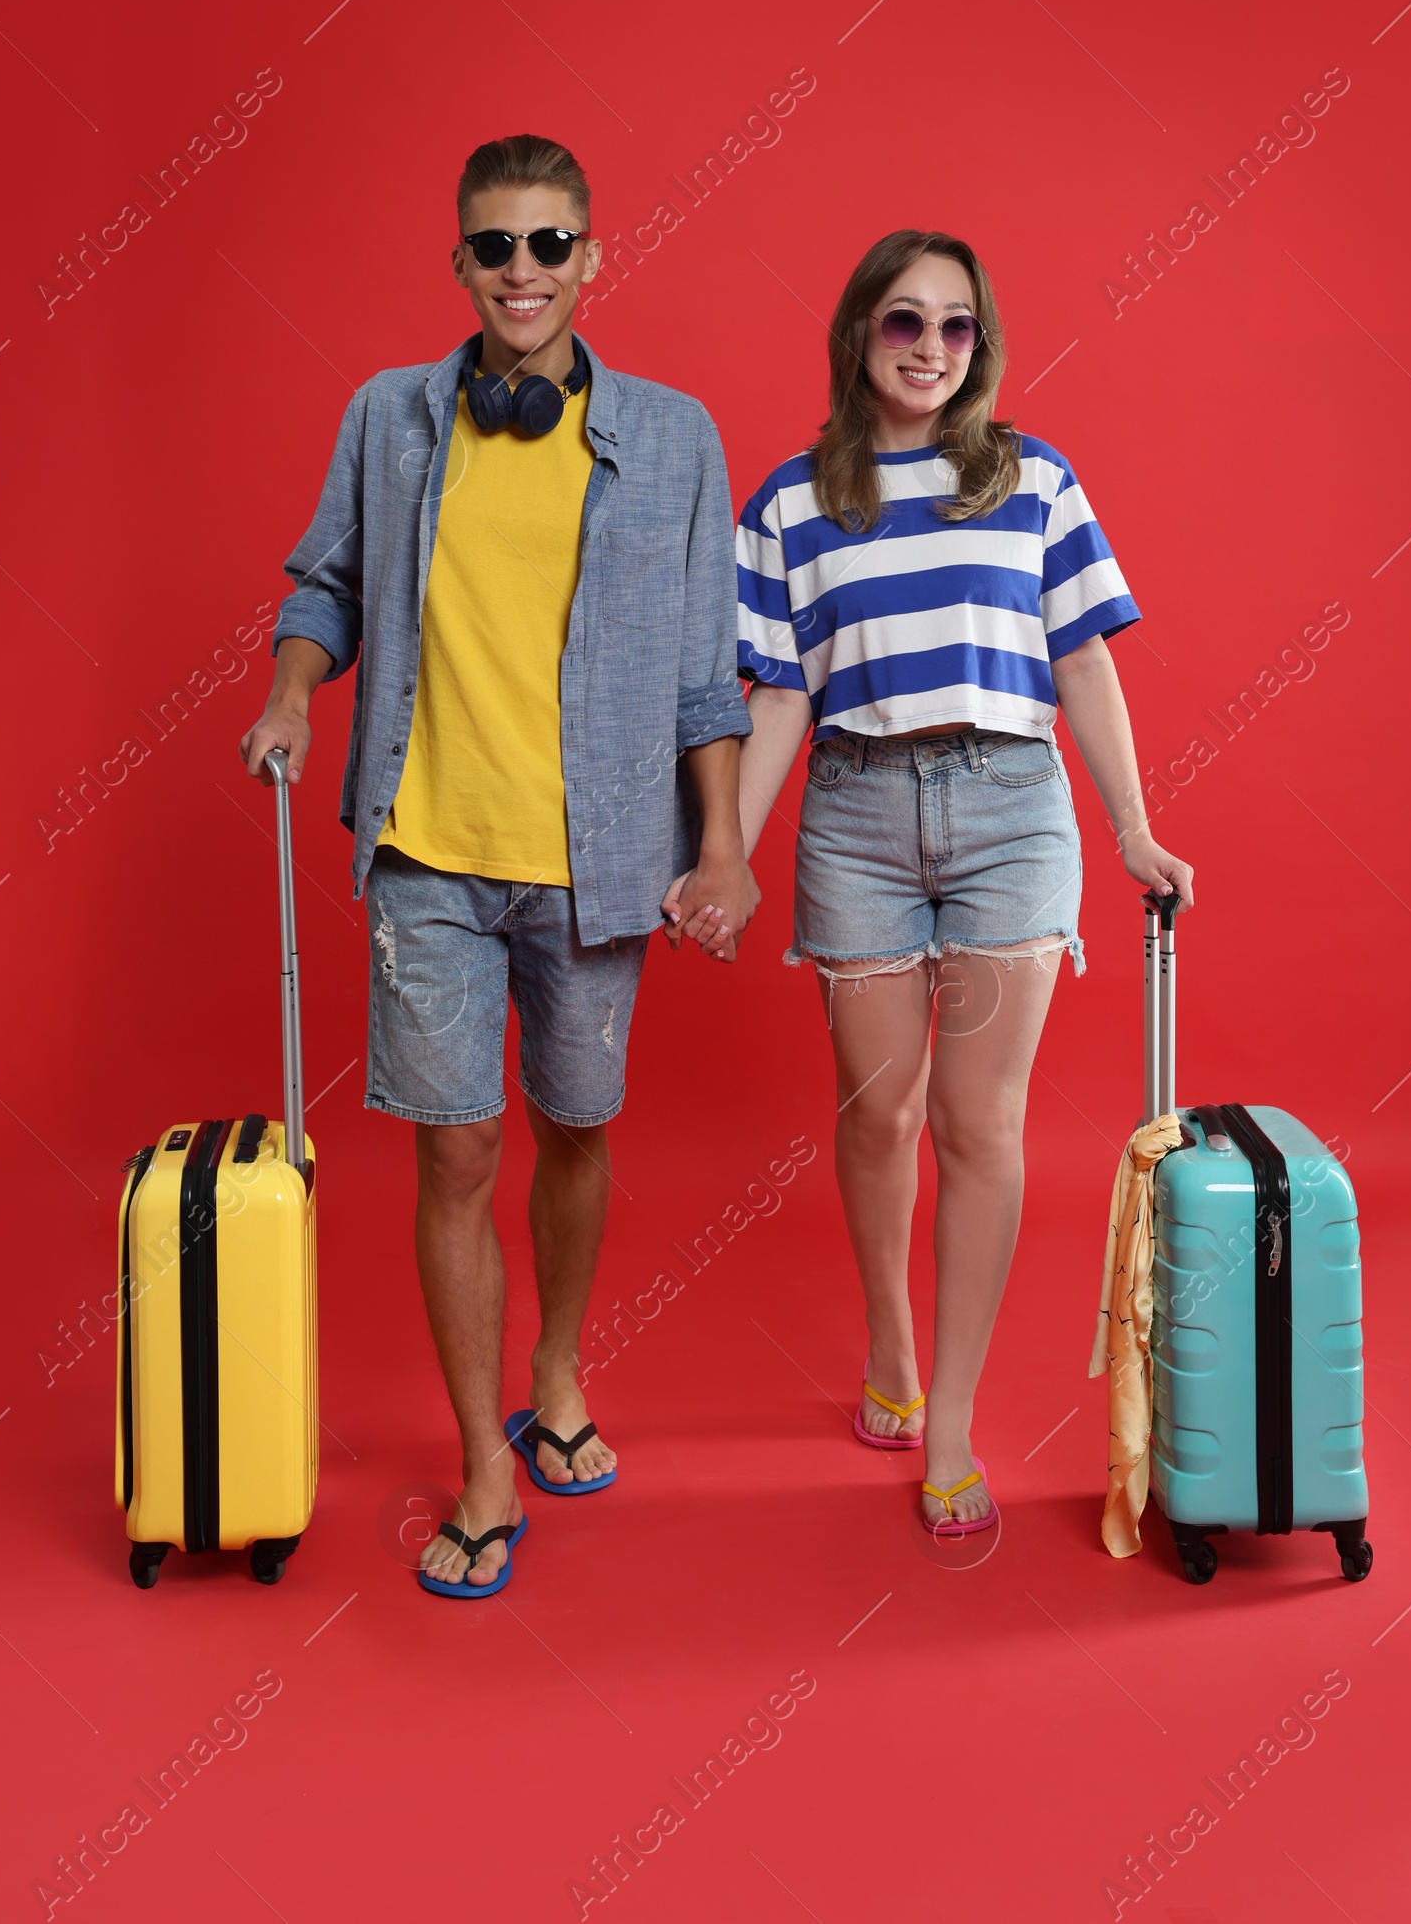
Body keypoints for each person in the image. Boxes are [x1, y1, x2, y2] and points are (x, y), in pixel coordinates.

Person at [240, 133, 758, 1596]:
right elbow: (325, 583)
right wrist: (292, 692)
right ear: (458, 264)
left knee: (577, 1126)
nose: (520, 271)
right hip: (427, 851)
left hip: (599, 860)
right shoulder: (390, 421)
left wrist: (720, 846)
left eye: (547, 245)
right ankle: (483, 1455)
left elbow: (707, 679)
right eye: (493, 246)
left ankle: (560, 1365)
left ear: (593, 259)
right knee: (456, 1145)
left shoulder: (676, 439)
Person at [722, 229, 1193, 1539]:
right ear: (857, 335)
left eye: (958, 327)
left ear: (980, 345)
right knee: (878, 1118)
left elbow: (1086, 665)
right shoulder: (793, 503)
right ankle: (891, 1350)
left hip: (1007, 811)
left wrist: (1133, 832)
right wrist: (723, 854)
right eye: (903, 323)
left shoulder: (1032, 482)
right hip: (857, 812)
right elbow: (777, 698)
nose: (931, 349)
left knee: (979, 1128)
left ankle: (958, 1428)